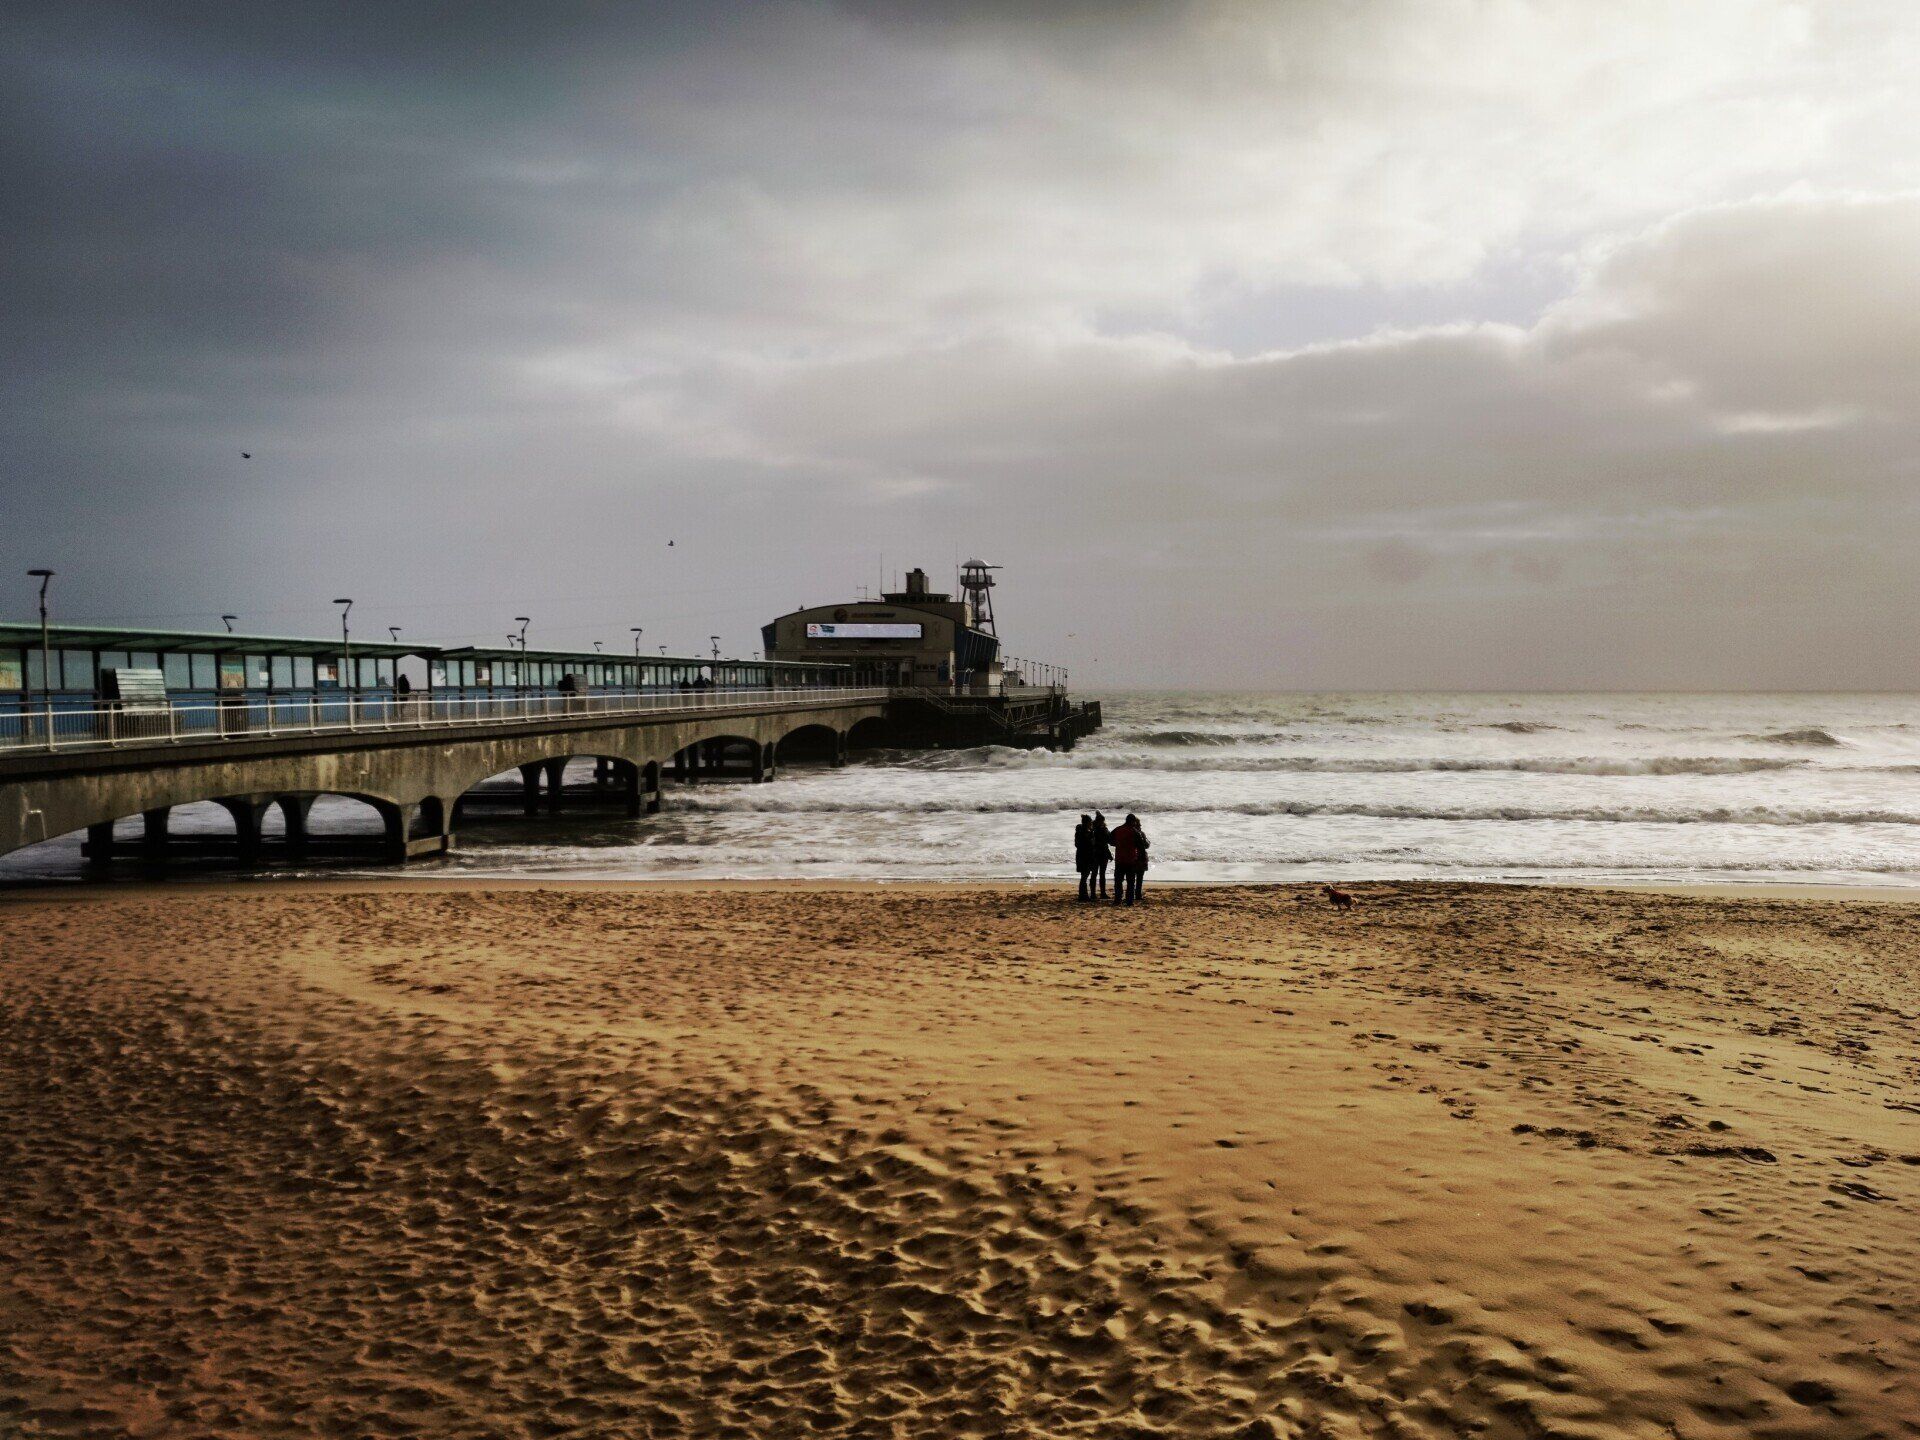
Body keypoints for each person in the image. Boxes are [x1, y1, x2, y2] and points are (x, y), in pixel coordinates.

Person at [1110, 812, 1149, 905]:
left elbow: (1110, 840)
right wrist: (1143, 857)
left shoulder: (1117, 829)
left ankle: (1117, 900)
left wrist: (1117, 844)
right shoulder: (1135, 832)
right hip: (1131, 859)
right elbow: (1142, 846)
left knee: (1118, 881)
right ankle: (1129, 901)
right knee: (1130, 882)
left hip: (1119, 859)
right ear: (1133, 822)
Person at [1091, 811, 1113, 899]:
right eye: (1102, 821)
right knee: (1098, 874)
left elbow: (1107, 842)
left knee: (1097, 874)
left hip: (1099, 853)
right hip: (1099, 853)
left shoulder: (1094, 829)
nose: (1102, 822)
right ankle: (1099, 893)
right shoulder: (1100, 829)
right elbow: (1108, 841)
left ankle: (1097, 893)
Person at [1074, 814, 1095, 901]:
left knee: (1084, 875)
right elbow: (1091, 844)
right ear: (1087, 823)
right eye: (1090, 822)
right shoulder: (1087, 833)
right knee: (1085, 876)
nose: (1091, 823)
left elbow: (1077, 844)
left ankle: (1083, 895)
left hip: (1080, 855)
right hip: (1086, 856)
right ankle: (1083, 895)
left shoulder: (1079, 832)